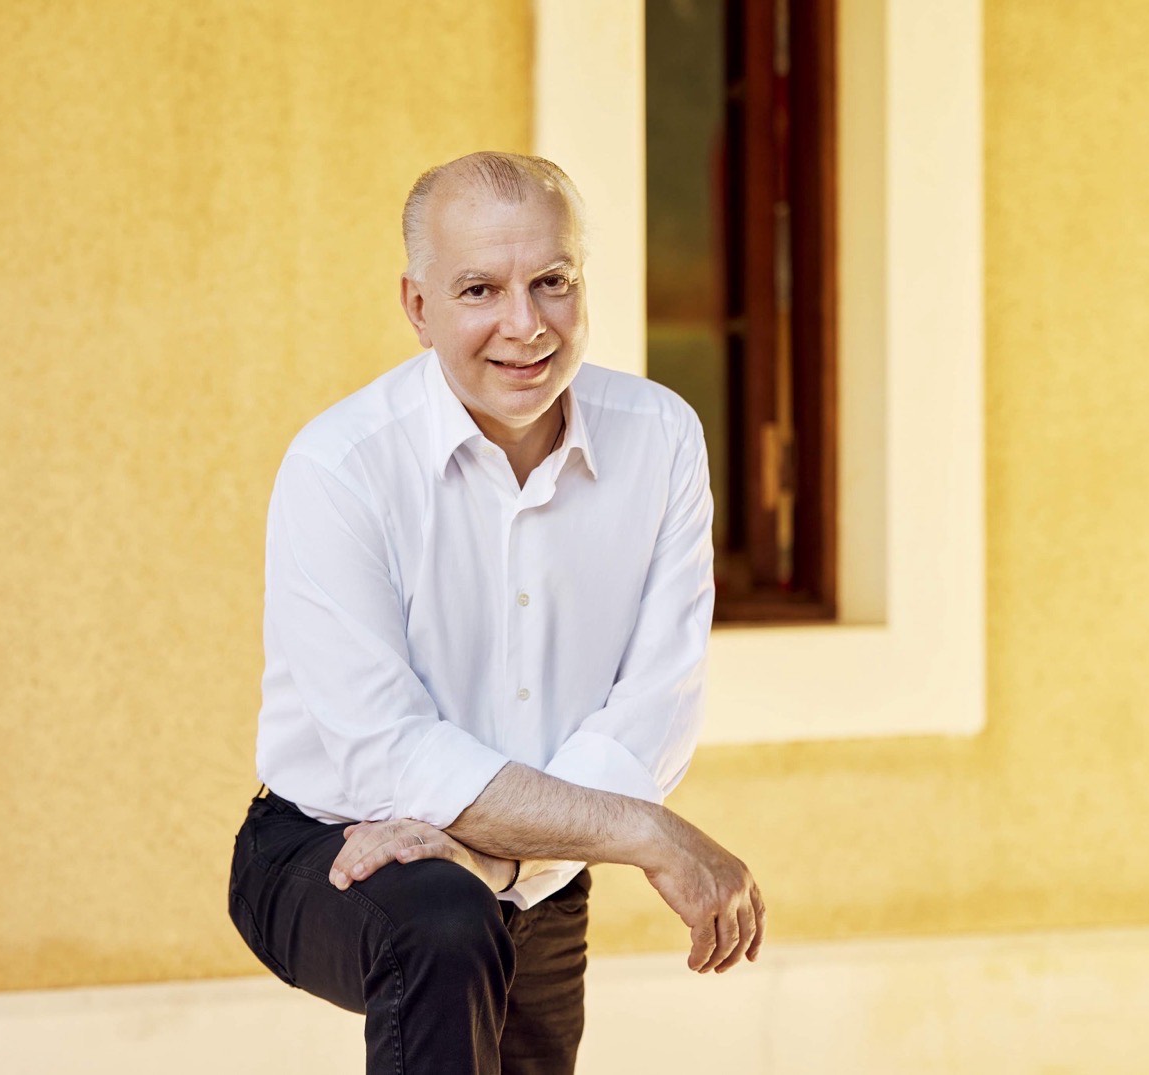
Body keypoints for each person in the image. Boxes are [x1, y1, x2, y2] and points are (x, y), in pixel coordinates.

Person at [226, 150, 764, 1074]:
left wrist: (504, 863)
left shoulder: (662, 438)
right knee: (443, 916)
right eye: (480, 289)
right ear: (418, 306)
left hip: (545, 873)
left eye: (553, 281)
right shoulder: (340, 467)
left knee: (479, 923)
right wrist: (646, 833)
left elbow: (655, 705)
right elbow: (388, 753)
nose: (526, 324)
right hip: (336, 843)